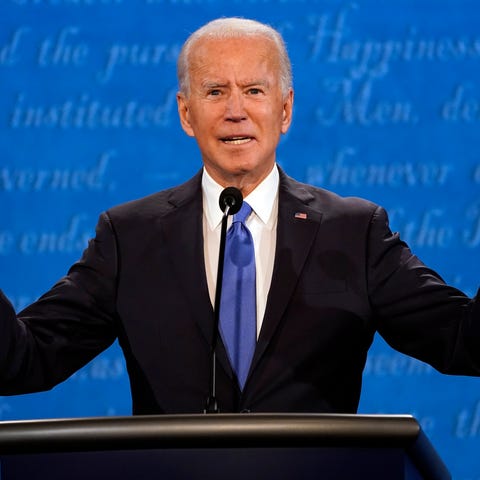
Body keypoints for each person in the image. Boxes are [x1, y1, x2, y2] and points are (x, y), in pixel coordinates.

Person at [0, 17, 479, 415]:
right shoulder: (130, 237)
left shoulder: (354, 231)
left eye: (254, 90)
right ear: (186, 114)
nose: (235, 111)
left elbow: (464, 340)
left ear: (285, 109)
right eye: (214, 92)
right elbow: (21, 360)